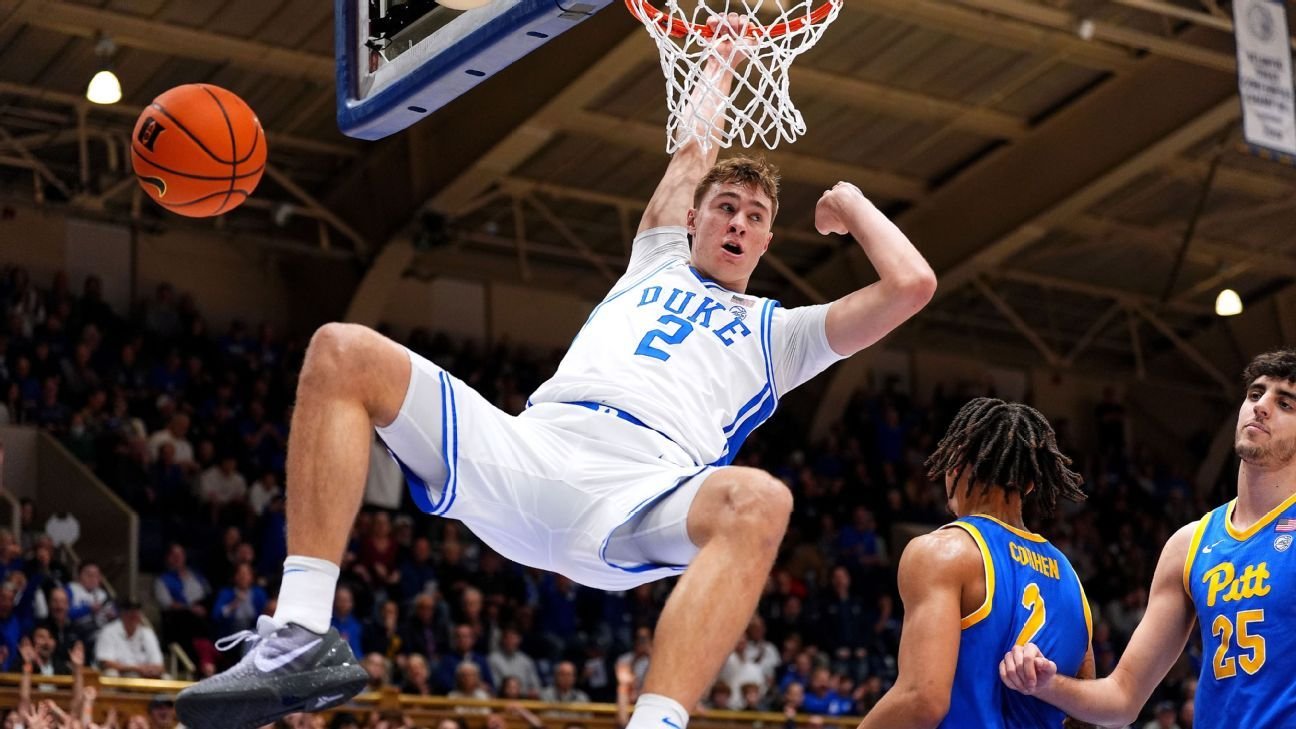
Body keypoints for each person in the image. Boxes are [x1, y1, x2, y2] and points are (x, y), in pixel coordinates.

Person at [176, 13, 936, 729]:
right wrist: (724, 57)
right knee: (342, 349)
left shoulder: (783, 333)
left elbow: (911, 287)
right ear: (695, 219)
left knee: (760, 500)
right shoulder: (657, 255)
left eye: (756, 216)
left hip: (638, 495)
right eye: (726, 207)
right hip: (529, 449)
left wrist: (857, 205)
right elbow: (692, 152)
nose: (738, 220)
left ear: (768, 241)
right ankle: (303, 632)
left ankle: (657, 719)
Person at [1001, 348, 1296, 728]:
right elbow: (1122, 699)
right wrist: (1043, 682)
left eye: (1285, 403)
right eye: (1255, 394)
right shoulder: (1189, 544)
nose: (1261, 407)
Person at [858, 398, 1093, 728]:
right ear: (1030, 483)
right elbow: (1086, 715)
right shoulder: (1071, 579)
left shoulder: (942, 551)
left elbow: (922, 700)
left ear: (955, 465)